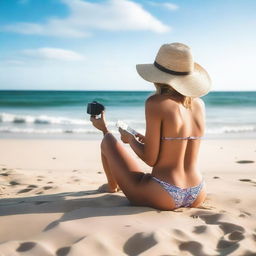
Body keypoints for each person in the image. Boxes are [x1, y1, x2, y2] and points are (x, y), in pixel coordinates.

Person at [90, 42, 211, 210]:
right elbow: (179, 145)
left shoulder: (156, 103)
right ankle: (112, 185)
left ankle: (111, 186)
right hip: (197, 191)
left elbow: (151, 159)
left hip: (164, 192)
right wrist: (147, 140)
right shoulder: (199, 105)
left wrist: (129, 139)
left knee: (108, 141)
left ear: (158, 77)